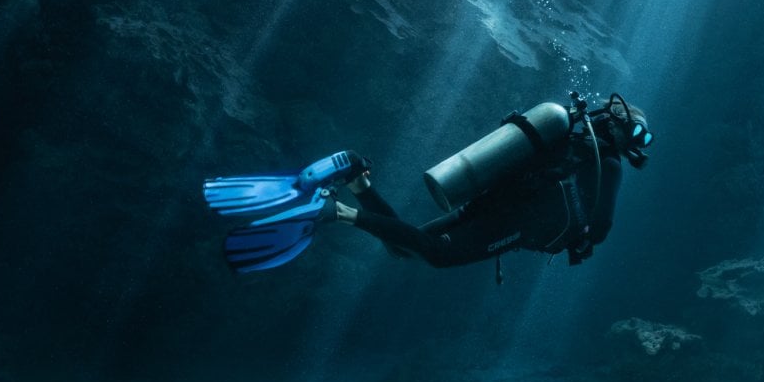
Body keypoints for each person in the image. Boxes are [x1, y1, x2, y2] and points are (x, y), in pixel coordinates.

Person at [203, 92, 651, 276]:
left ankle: (356, 180)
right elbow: (604, 224)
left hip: (494, 199)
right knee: (436, 256)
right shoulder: (606, 163)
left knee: (407, 244)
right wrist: (584, 240)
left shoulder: (570, 135)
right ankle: (334, 211)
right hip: (520, 221)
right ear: (625, 134)